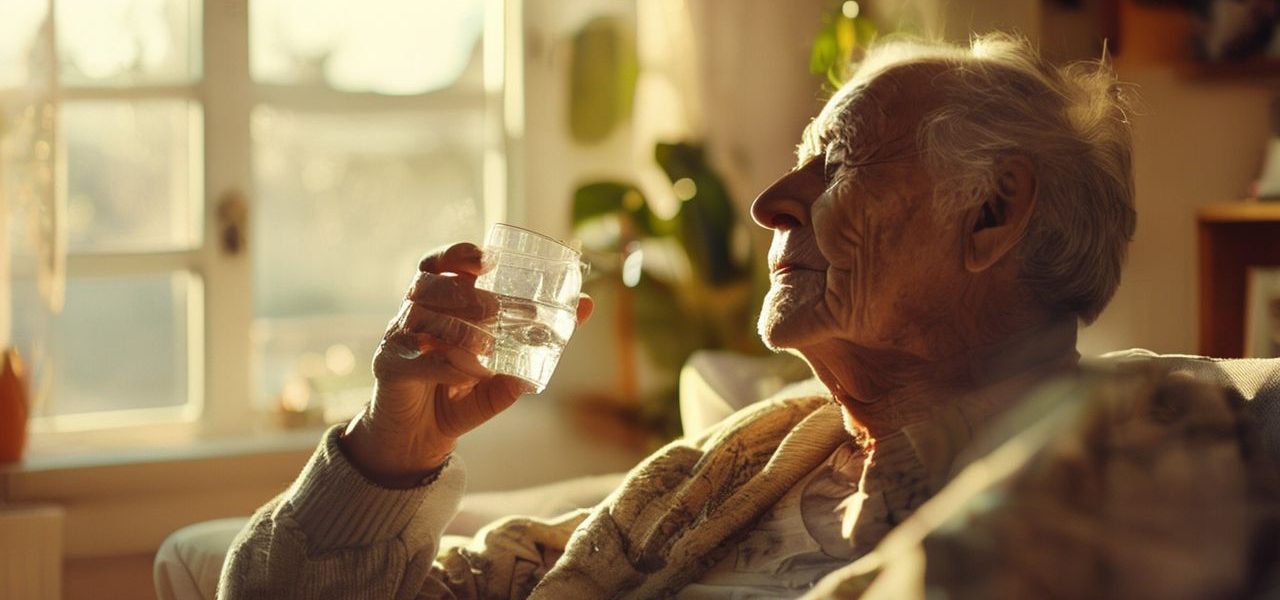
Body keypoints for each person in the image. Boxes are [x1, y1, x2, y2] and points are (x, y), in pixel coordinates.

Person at [217, 33, 1275, 599]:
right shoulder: (730, 471)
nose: (771, 201)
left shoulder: (1150, 442)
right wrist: (393, 448)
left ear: (991, 213)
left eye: (836, 162)